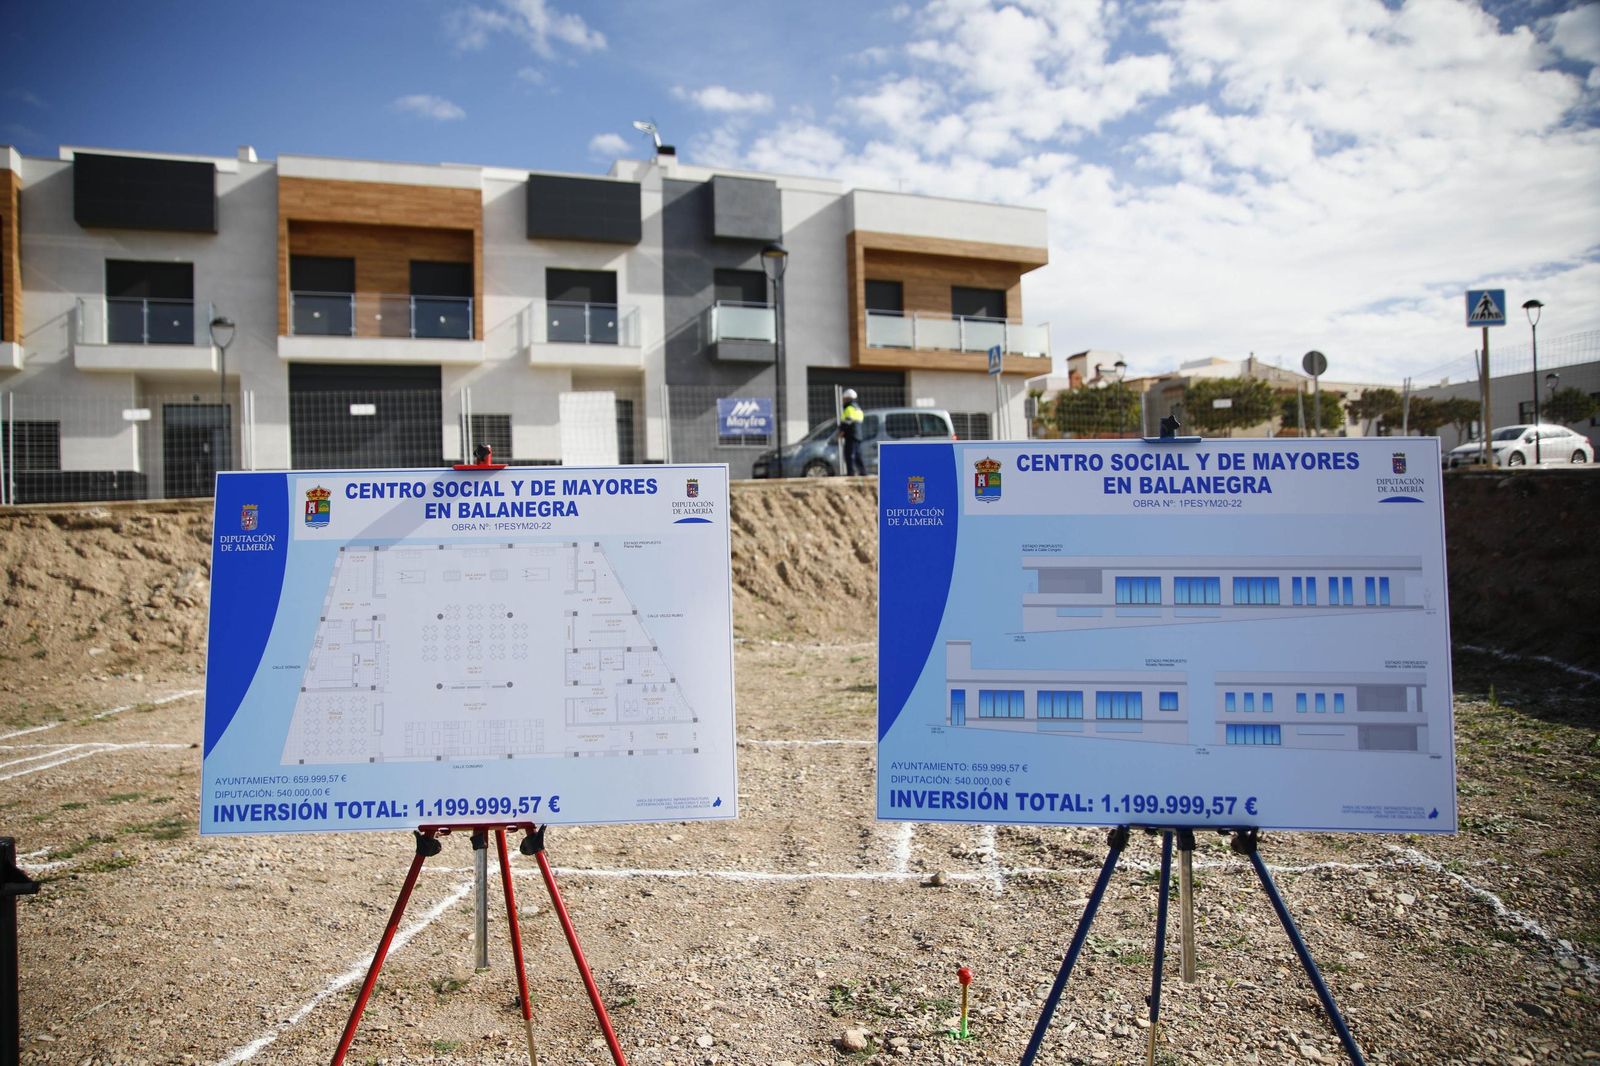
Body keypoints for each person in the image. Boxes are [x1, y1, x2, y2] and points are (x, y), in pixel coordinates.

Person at [838, 389, 866, 475]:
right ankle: (863, 473)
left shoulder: (849, 408)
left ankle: (851, 473)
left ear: (848, 399)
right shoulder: (858, 408)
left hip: (851, 435)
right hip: (858, 435)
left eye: (844, 399)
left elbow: (847, 421)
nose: (843, 401)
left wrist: (841, 431)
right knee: (858, 455)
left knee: (849, 455)